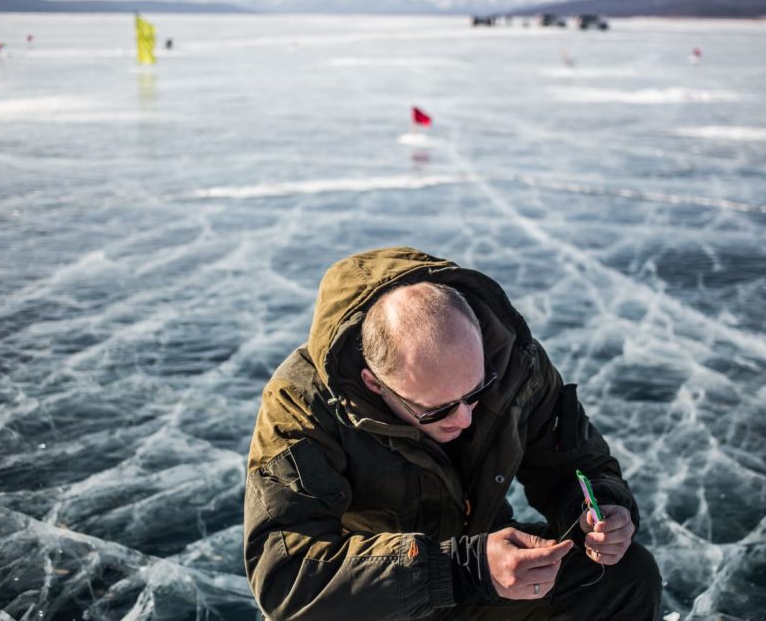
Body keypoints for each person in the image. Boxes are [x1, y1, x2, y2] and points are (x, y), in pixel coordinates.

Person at [244, 247, 661, 619]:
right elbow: (287, 579)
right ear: (375, 383)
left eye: (475, 392)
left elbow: (575, 462)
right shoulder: (300, 406)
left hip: (485, 571)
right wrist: (462, 570)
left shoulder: (512, 361)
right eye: (436, 408)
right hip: (382, 599)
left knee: (626, 577)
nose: (463, 419)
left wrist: (600, 506)